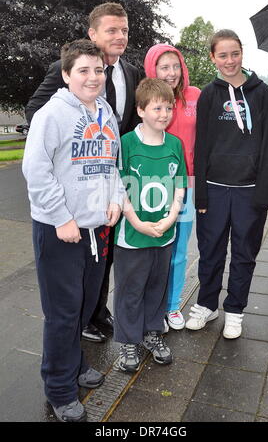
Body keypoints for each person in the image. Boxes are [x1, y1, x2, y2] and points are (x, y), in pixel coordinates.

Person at [25, 2, 142, 343]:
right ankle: (79, 326)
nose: (119, 36)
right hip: (73, 185)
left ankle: (95, 311)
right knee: (66, 290)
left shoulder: (131, 73)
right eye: (111, 30)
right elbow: (38, 112)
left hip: (107, 184)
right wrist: (72, 152)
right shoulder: (69, 72)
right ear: (92, 33)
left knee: (100, 263)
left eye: (124, 31)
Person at [22, 39, 125, 422]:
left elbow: (112, 164)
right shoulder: (53, 114)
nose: (93, 77)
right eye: (83, 70)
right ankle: (60, 388)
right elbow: (36, 169)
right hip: (61, 230)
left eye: (98, 70)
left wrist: (115, 198)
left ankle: (76, 363)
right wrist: (62, 218)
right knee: (63, 313)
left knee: (83, 308)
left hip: (97, 229)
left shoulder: (107, 112)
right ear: (66, 75)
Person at [185, 29, 268, 339]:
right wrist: (201, 194)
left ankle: (235, 310)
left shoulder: (261, 92)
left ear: (242, 54)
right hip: (214, 187)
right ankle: (207, 305)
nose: (229, 60)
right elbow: (202, 145)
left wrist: (263, 193)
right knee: (210, 251)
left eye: (234, 53)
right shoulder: (210, 94)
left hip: (249, 191)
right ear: (213, 58)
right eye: (222, 55)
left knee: (243, 253)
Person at [113, 78, 188, 373]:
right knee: (131, 289)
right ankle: (129, 341)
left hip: (164, 234)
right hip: (133, 235)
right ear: (141, 110)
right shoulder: (127, 143)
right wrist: (136, 222)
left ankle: (151, 334)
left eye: (168, 108)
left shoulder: (175, 144)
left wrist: (171, 218)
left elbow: (180, 185)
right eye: (157, 108)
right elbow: (118, 187)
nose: (164, 114)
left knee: (157, 287)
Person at [144, 44, 201, 330]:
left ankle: (173, 305)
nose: (171, 73)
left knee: (179, 248)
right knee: (154, 246)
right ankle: (152, 305)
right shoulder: (147, 98)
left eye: (175, 66)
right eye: (164, 67)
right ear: (153, 69)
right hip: (154, 184)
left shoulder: (195, 96)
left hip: (187, 184)